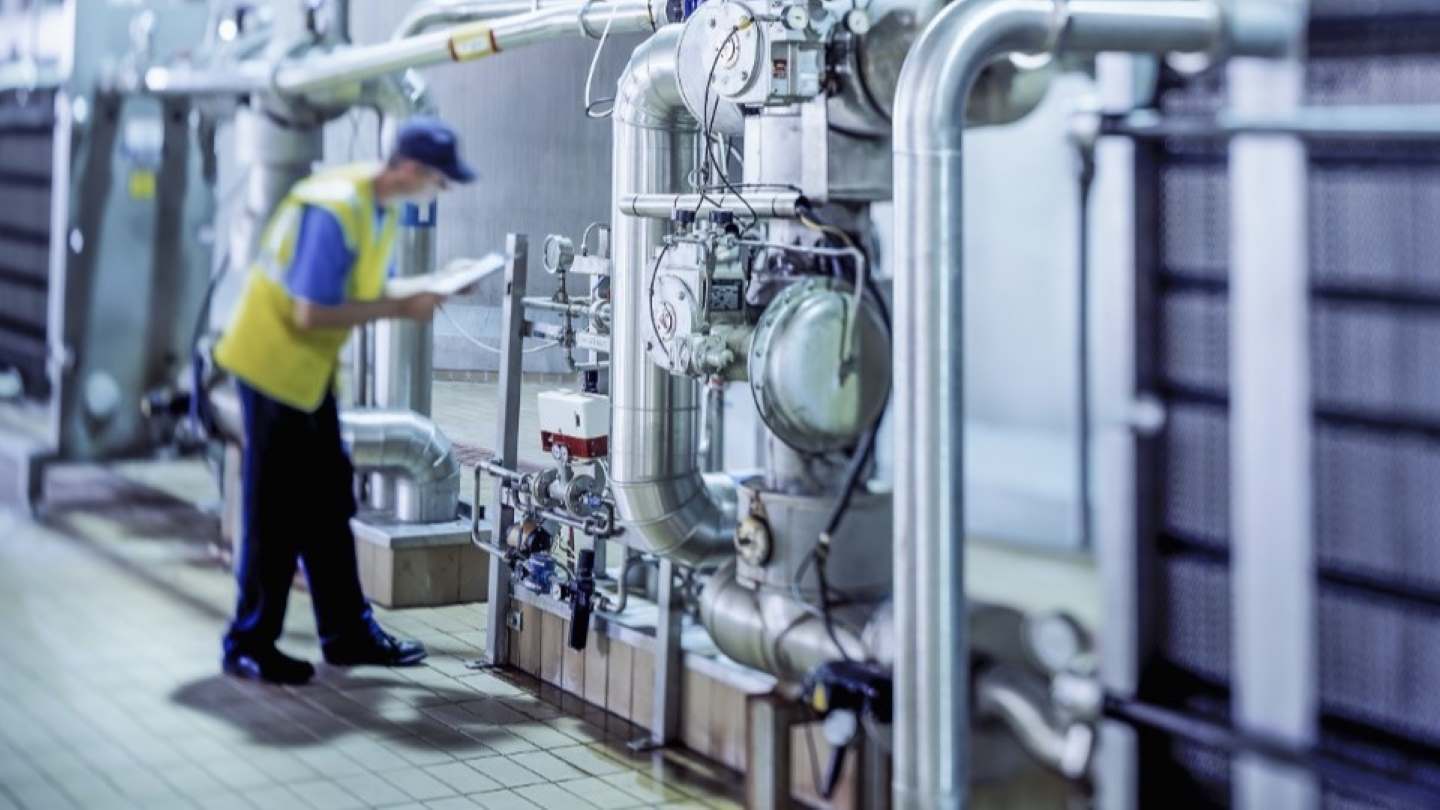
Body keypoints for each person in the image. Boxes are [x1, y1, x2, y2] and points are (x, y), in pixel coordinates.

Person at [211, 117, 476, 685]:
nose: (441, 191)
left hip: (306, 375)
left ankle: (347, 634)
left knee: (330, 500)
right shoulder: (336, 209)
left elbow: (367, 291)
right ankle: (248, 642)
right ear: (407, 168)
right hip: (271, 367)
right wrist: (403, 309)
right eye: (437, 179)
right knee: (273, 515)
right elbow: (310, 310)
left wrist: (442, 283)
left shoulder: (375, 209)